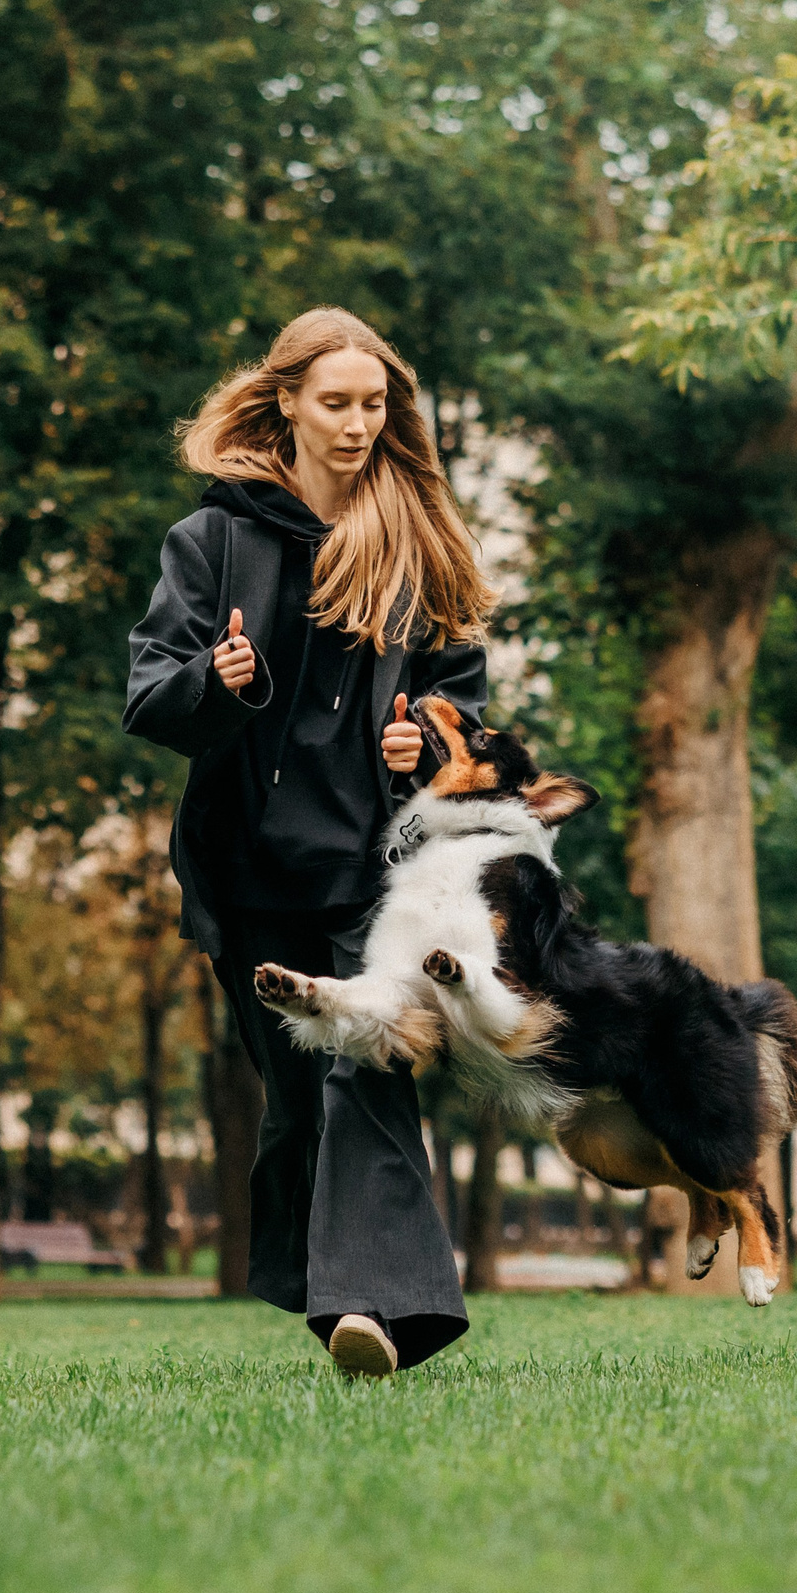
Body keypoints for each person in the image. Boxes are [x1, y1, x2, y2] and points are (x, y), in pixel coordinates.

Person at [124, 307, 495, 1377]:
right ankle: (327, 1289)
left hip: (374, 875)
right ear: (286, 401)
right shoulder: (211, 542)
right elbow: (149, 693)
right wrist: (215, 679)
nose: (357, 423)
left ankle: (377, 1310)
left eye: (373, 404)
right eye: (335, 402)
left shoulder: (419, 545)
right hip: (249, 871)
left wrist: (423, 744)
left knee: (370, 1063)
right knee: (294, 1107)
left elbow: (464, 713)